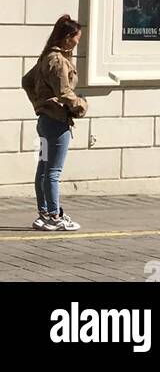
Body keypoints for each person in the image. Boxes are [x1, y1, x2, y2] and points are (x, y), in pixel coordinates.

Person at [25, 15, 88, 231]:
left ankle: (44, 213)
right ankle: (54, 215)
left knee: (43, 167)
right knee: (53, 171)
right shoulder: (59, 61)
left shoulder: (46, 57)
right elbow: (64, 93)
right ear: (68, 38)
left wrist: (39, 103)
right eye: (77, 37)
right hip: (56, 122)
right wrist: (81, 106)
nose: (78, 41)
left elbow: (27, 81)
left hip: (44, 122)